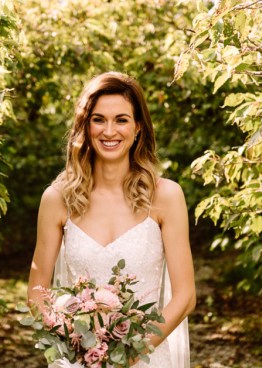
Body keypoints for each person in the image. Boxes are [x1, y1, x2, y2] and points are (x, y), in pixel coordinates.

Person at [27, 72, 196, 367]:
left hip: (145, 357)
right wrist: (73, 340)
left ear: (138, 127)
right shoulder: (57, 199)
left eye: (121, 119)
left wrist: (129, 354)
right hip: (78, 359)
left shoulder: (166, 196)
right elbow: (37, 292)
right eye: (98, 119)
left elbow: (185, 296)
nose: (109, 131)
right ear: (85, 126)